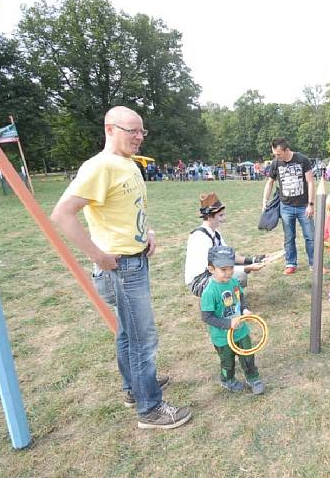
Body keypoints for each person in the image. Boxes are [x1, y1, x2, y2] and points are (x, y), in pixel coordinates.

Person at [50, 106, 191, 430]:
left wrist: (149, 232)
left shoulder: (127, 164)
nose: (139, 137)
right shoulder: (99, 167)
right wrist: (97, 255)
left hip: (134, 260)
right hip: (122, 267)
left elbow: (132, 208)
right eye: (133, 131)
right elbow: (62, 214)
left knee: (129, 333)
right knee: (143, 338)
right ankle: (150, 409)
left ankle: (134, 387)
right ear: (110, 129)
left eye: (142, 131)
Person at [200, 245, 265, 395]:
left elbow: (240, 298)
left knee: (248, 355)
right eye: (223, 269)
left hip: (241, 331)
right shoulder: (210, 292)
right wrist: (228, 324)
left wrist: (245, 309)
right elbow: (207, 316)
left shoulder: (234, 282)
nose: (228, 272)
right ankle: (227, 380)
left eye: (231, 268)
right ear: (211, 269)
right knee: (227, 362)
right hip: (222, 338)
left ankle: (253, 378)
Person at [184, 192, 265, 297]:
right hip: (199, 281)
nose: (224, 219)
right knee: (240, 276)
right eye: (221, 215)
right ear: (209, 216)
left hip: (212, 272)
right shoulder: (200, 237)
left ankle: (225, 300)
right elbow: (216, 267)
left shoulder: (215, 234)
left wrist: (253, 260)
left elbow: (229, 256)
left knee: (237, 272)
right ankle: (220, 303)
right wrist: (247, 268)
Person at [262, 137, 315, 275]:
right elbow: (270, 182)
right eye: (275, 154)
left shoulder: (302, 159)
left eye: (278, 154)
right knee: (289, 237)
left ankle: (314, 263)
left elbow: (310, 182)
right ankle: (291, 263)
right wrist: (264, 201)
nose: (276, 157)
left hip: (304, 206)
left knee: (310, 236)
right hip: (285, 207)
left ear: (287, 150)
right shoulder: (275, 163)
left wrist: (311, 204)